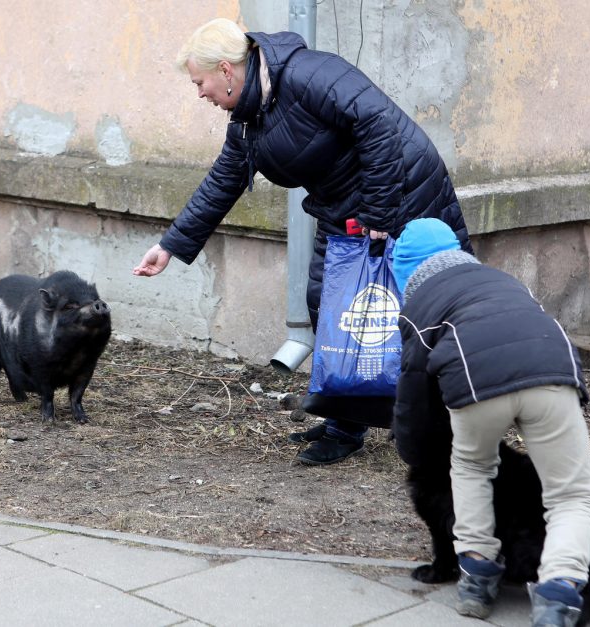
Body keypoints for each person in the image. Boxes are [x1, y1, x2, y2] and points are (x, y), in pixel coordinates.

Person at [133, 18, 472, 465]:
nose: (200, 93)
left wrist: (378, 214)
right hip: (344, 210)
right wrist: (171, 246)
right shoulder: (249, 119)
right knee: (330, 307)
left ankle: (451, 423)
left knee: (428, 309)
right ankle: (344, 424)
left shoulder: (310, 73)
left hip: (405, 192)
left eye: (200, 82)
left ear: (226, 70)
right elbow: (223, 181)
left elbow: (379, 126)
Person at [390, 218, 590, 627]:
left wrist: (412, 451)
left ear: (405, 272)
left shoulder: (419, 307)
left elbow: (413, 391)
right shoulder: (502, 280)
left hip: (475, 379)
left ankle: (477, 579)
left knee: (471, 467)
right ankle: (558, 596)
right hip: (552, 367)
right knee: (572, 493)